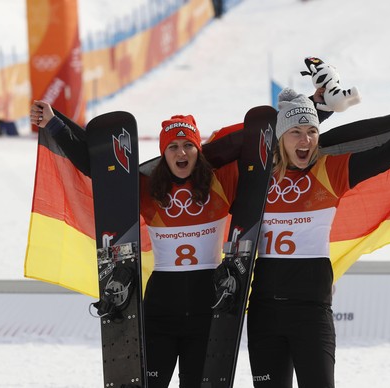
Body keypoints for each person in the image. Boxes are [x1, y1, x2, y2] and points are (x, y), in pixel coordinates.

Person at [30, 91, 331, 387]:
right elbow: (99, 168)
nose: (181, 152)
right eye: (173, 146)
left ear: (199, 150)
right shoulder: (148, 189)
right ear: (163, 152)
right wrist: (56, 124)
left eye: (188, 145)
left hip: (206, 312)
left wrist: (310, 108)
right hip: (160, 310)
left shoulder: (221, 182)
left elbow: (260, 138)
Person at [246, 87, 390, 388]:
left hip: (311, 313)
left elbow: (385, 156)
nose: (306, 140)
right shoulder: (256, 176)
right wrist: (318, 106)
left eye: (312, 131)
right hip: (263, 313)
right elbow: (225, 148)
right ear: (280, 137)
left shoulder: (329, 170)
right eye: (296, 132)